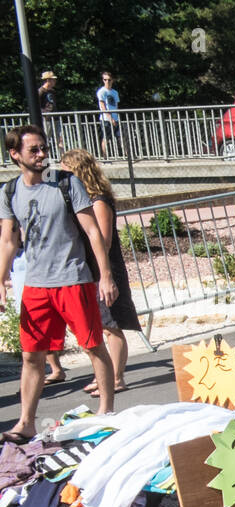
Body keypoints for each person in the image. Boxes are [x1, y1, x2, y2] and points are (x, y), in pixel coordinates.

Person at [0, 126, 118, 443]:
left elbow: (93, 232)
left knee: (93, 345)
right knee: (31, 355)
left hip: (73, 278)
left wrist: (105, 274)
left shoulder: (67, 183)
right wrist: (1, 278)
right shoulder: (9, 191)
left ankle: (105, 412)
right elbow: (9, 239)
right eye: (33, 150)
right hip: (36, 286)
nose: (41, 155)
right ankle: (25, 423)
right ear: (15, 155)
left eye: (43, 148)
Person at [58, 149, 139, 395]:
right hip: (88, 269)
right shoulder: (80, 200)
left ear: (78, 171)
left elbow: (103, 240)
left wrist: (102, 272)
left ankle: (116, 377)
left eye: (66, 170)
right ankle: (104, 375)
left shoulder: (99, 200)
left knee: (111, 324)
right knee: (97, 324)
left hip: (105, 268)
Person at [96, 71, 121, 160]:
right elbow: (102, 106)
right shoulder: (101, 91)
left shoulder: (115, 92)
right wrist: (110, 118)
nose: (107, 81)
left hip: (115, 118)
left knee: (121, 137)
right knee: (106, 138)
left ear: (112, 80)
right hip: (105, 119)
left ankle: (127, 156)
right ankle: (105, 157)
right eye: (105, 79)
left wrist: (116, 118)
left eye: (109, 80)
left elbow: (116, 106)